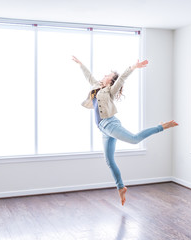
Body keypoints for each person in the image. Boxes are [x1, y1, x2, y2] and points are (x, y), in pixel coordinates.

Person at [72, 56, 178, 206]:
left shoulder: (110, 90)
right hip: (104, 129)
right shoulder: (96, 86)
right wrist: (80, 63)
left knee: (134, 139)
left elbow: (121, 78)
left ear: (111, 80)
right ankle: (121, 188)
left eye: (107, 75)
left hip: (110, 124)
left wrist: (133, 67)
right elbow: (88, 75)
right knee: (109, 161)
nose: (104, 75)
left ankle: (161, 126)